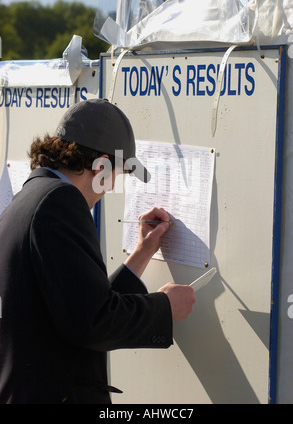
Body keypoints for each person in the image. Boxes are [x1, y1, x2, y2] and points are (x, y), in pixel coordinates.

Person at [0, 98, 195, 404]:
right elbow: (91, 323)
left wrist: (141, 254)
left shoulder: (33, 196)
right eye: (117, 174)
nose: (111, 186)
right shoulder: (60, 203)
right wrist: (165, 308)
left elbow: (78, 306)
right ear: (101, 166)